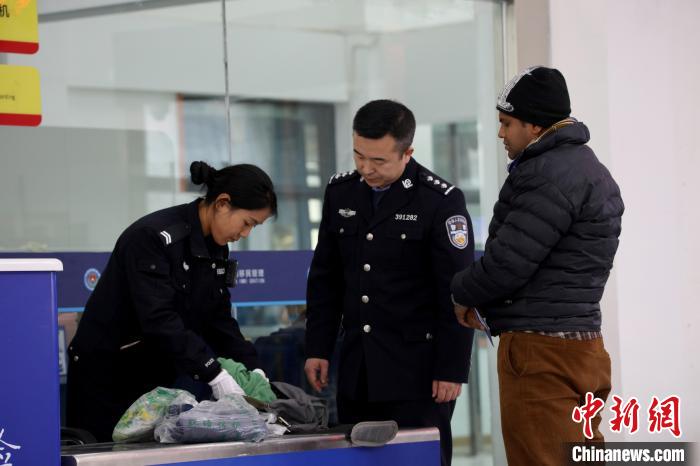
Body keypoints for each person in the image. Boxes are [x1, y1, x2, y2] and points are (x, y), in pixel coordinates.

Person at [451, 66, 624, 466]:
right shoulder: (592, 170)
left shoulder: (546, 174)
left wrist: (461, 291)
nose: (501, 134)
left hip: (540, 355)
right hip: (584, 348)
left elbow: (507, 264)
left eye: (506, 123)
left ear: (534, 125)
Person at [304, 99, 475, 466]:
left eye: (379, 160)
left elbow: (457, 293)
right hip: (358, 368)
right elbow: (325, 279)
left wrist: (451, 369)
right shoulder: (340, 192)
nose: (366, 168)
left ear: (407, 152)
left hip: (417, 372)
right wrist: (318, 347)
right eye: (359, 156)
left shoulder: (439, 201)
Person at [67, 161, 277, 442]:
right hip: (109, 375)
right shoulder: (152, 238)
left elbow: (219, 319)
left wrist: (252, 367)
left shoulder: (215, 248)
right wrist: (214, 374)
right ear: (222, 203)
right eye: (247, 223)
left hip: (154, 374)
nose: (245, 234)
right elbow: (159, 319)